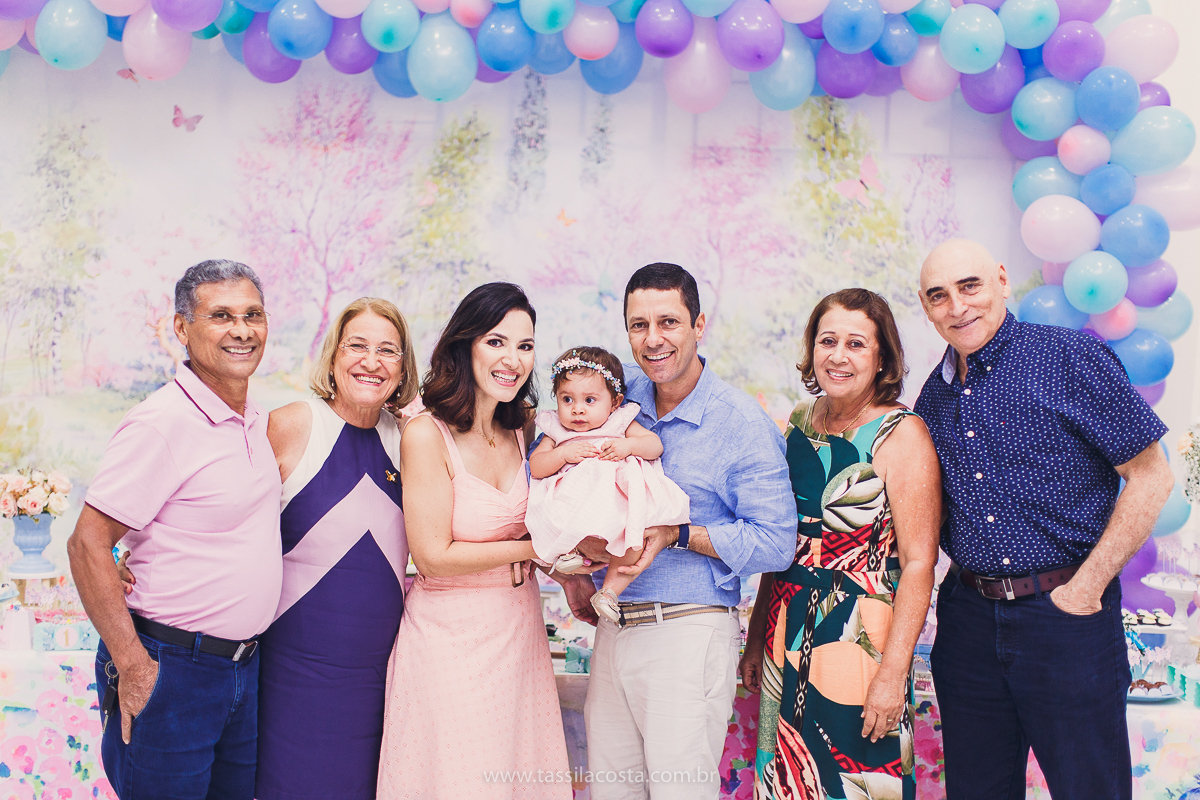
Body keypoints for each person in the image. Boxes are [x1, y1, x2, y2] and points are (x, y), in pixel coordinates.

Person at [914, 239, 1173, 800]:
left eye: (970, 286)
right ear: (926, 306)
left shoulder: (1068, 358)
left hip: (1066, 617)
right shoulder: (932, 397)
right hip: (968, 624)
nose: (957, 306)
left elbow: (1152, 476)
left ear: (1002, 281)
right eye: (939, 295)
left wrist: (1086, 589)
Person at [558, 262, 796, 800]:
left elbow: (776, 542)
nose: (653, 339)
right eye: (638, 325)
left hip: (688, 632)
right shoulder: (614, 395)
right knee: (611, 793)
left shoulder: (740, 423)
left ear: (698, 325)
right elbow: (560, 459)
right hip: (614, 629)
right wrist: (573, 571)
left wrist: (679, 534)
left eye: (668, 322)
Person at [67, 260, 282, 800]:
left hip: (242, 668)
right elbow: (87, 542)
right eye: (221, 316)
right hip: (171, 671)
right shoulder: (163, 422)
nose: (241, 330)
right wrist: (134, 666)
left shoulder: (255, 419)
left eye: (252, 315)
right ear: (182, 329)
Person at [738, 288, 941, 800]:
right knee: (788, 779)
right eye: (828, 341)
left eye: (856, 344)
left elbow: (919, 563)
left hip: (859, 636)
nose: (838, 356)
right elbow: (781, 542)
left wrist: (893, 674)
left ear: (882, 358)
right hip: (785, 627)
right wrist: (757, 635)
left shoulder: (903, 434)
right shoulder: (798, 423)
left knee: (852, 780)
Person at [376, 282, 570, 799]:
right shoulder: (427, 433)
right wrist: (533, 550)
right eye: (496, 341)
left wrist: (575, 570)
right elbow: (432, 556)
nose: (513, 359)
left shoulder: (524, 428)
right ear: (465, 345)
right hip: (449, 640)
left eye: (525, 346)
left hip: (519, 628)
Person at [255, 298, 418, 800]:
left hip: (380, 683)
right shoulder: (292, 424)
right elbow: (221, 515)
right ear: (333, 356)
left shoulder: (411, 441)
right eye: (357, 346)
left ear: (403, 367)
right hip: (290, 679)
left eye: (387, 351)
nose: (371, 361)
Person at [526, 346, 690, 623]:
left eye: (590, 400)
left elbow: (655, 445)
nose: (577, 409)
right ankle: (570, 552)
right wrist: (562, 454)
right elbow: (537, 466)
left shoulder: (619, 422)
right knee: (553, 510)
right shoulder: (556, 430)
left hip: (616, 500)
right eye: (567, 399)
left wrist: (629, 446)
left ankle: (609, 592)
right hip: (575, 501)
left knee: (634, 535)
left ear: (615, 403)